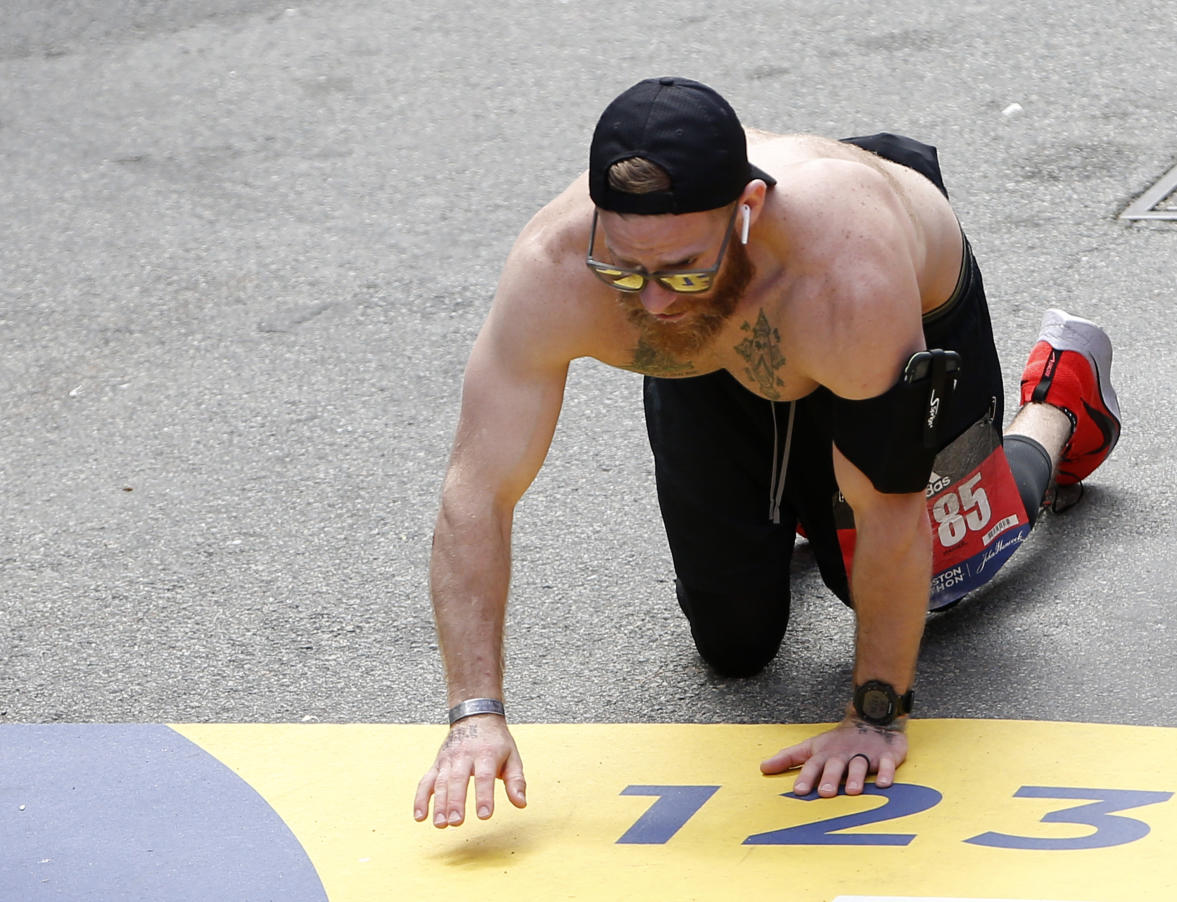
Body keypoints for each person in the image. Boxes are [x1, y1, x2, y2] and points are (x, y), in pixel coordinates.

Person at [412, 77, 1121, 828]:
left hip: (877, 305)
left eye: (681, 269)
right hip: (719, 357)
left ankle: (1058, 411)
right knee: (734, 642)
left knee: (932, 578)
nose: (652, 302)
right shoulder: (555, 268)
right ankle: (815, 492)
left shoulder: (845, 274)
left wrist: (876, 715)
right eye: (624, 271)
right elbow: (476, 492)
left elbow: (892, 512)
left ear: (745, 212)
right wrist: (473, 714)